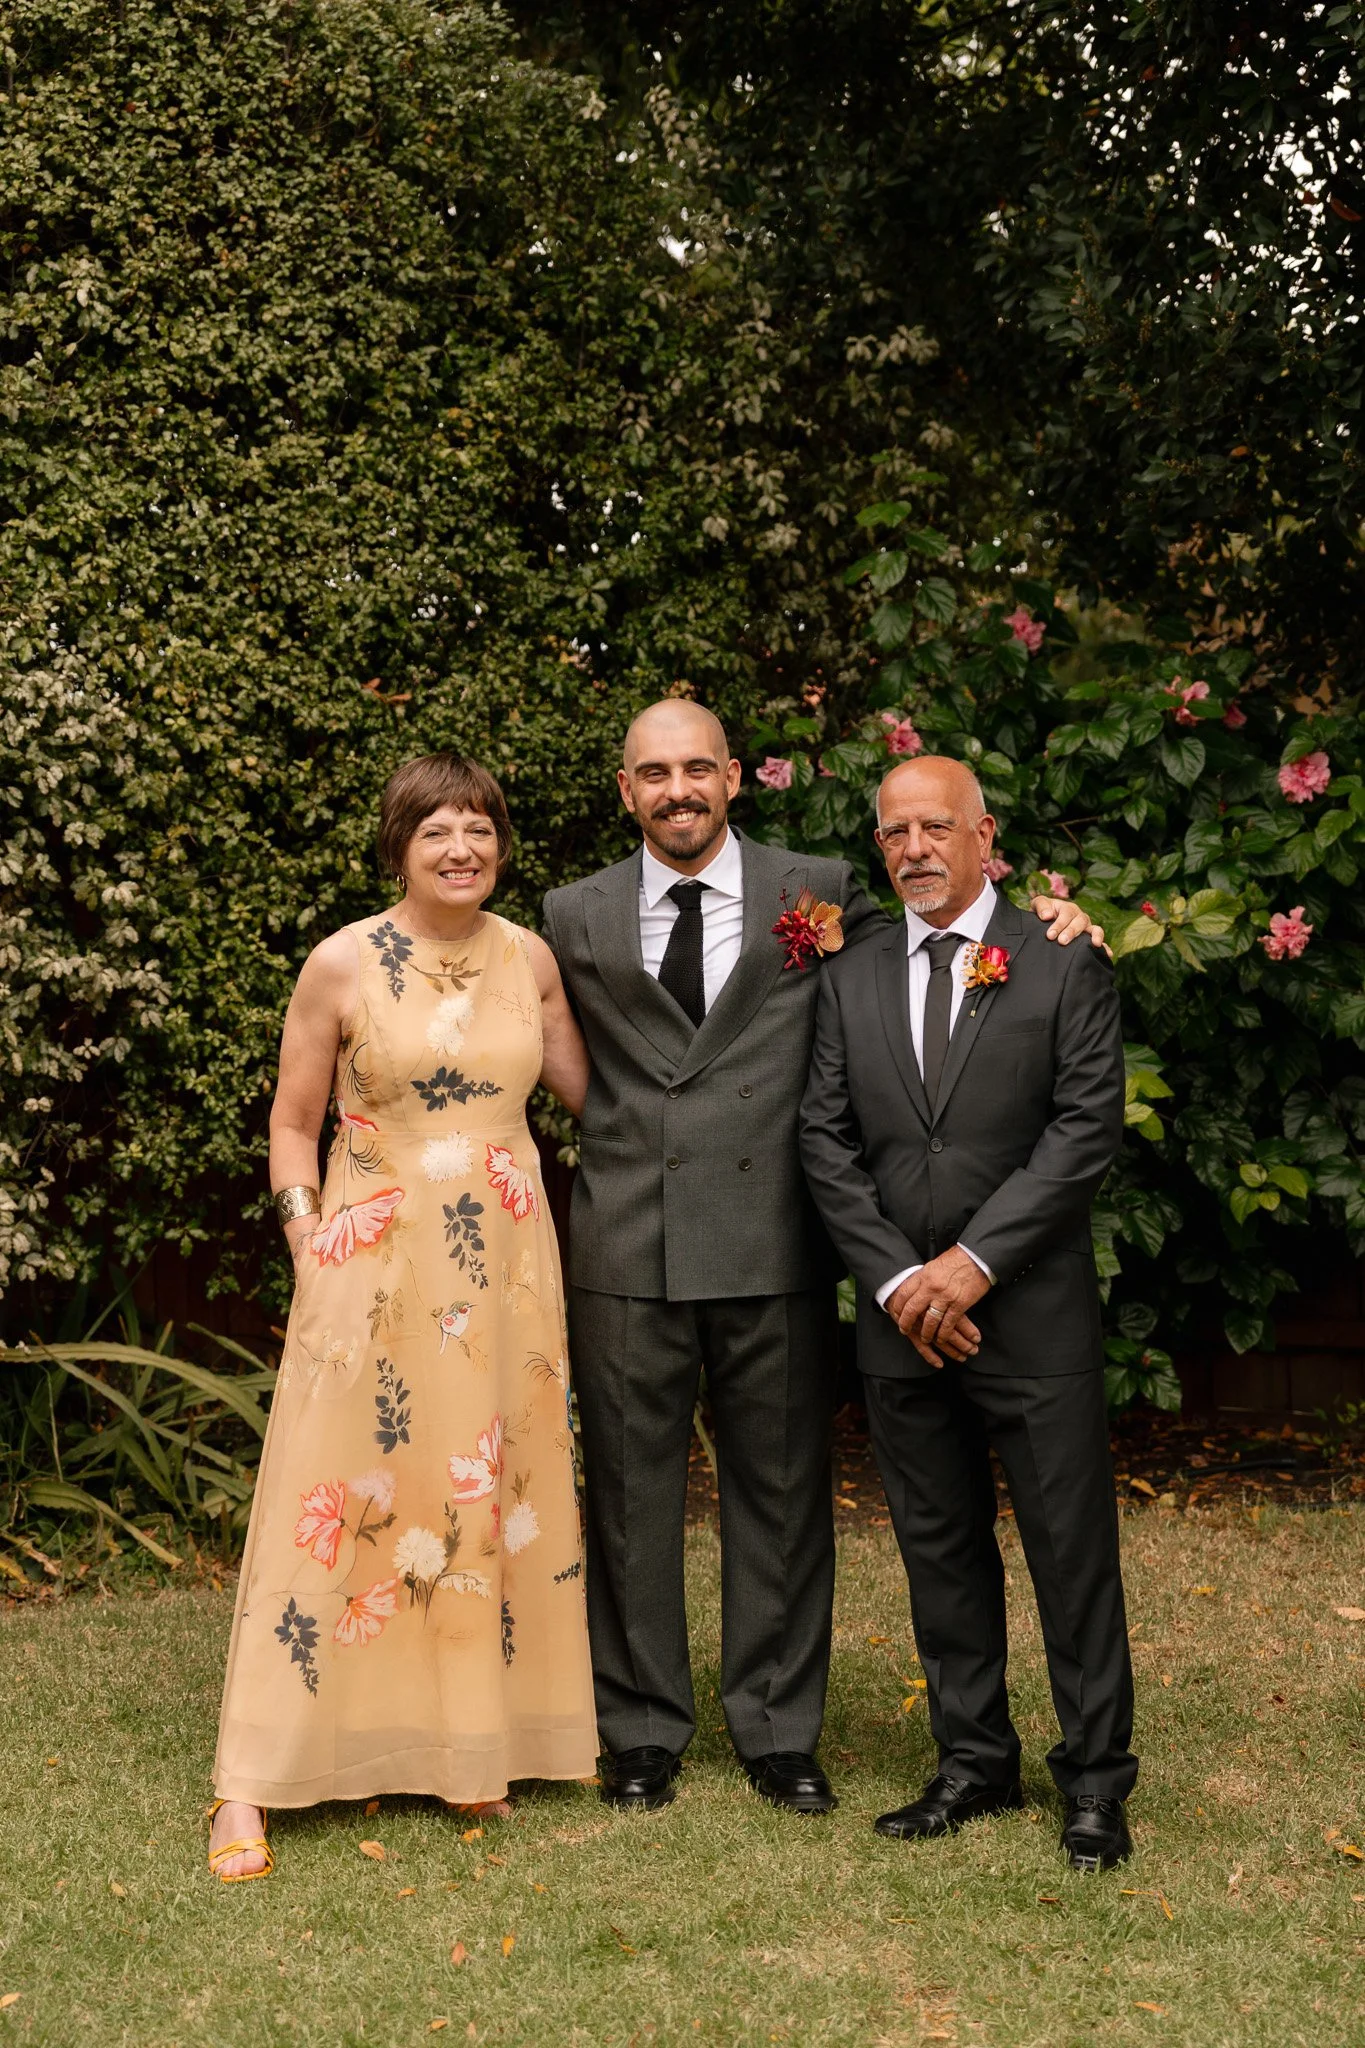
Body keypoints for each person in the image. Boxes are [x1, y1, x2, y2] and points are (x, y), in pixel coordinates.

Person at [541, 701, 1101, 1817]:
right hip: (625, 1238)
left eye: (698, 766)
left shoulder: (823, 886)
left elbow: (955, 904)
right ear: (625, 790)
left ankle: (777, 1728)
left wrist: (1058, 918)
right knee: (626, 1500)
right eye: (654, 772)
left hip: (774, 1238)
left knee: (785, 1494)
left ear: (736, 775)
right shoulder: (570, 914)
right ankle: (641, 1728)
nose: (679, 788)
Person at [208, 754, 597, 1883]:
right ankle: (248, 1780)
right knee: (331, 1502)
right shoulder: (341, 960)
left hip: (506, 1277)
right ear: (400, 845)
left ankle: (464, 1743)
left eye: (480, 828)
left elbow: (604, 1093)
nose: (461, 847)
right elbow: (290, 1124)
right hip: (371, 1270)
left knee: (471, 1495)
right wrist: (305, 1237)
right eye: (438, 830)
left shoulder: (530, 957)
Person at [799, 754, 1136, 1872]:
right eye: (894, 831)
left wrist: (975, 1263)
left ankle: (1093, 1781)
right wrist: (902, 1281)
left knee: (1069, 1553)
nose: (914, 848)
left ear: (986, 834)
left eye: (936, 826)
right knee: (939, 1549)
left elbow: (1085, 1129)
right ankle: (972, 1761)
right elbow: (826, 1139)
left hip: (1028, 1319)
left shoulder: (1061, 958)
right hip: (903, 1323)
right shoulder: (847, 972)